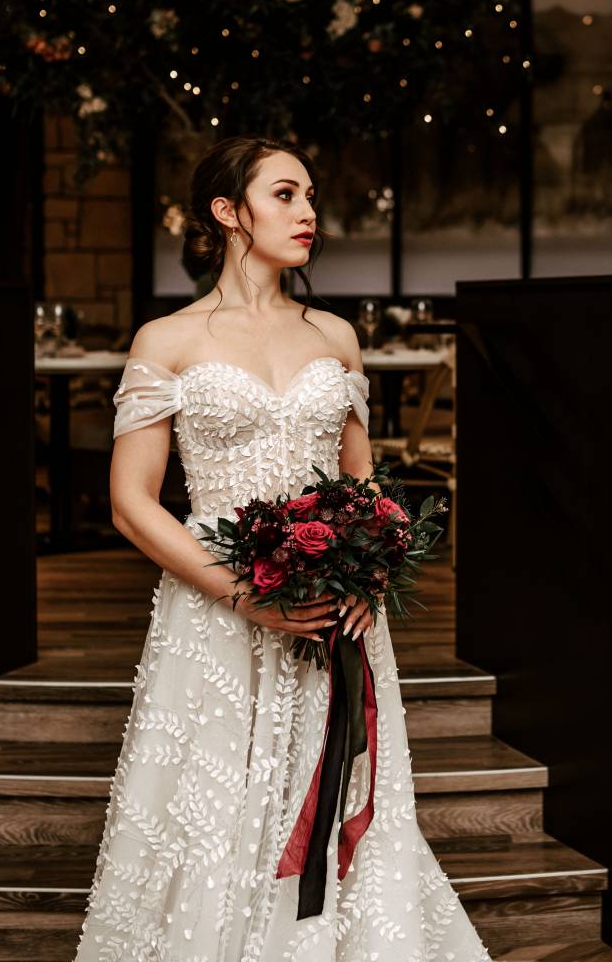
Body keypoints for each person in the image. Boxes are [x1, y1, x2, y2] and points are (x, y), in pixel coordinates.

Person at [73, 136, 491, 961]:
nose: (308, 214)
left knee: (335, 797)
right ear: (228, 213)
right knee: (214, 805)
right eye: (286, 195)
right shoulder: (168, 339)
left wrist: (371, 572)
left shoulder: (334, 334)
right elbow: (130, 503)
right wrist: (247, 595)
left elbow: (362, 482)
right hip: (218, 616)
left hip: (336, 616)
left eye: (310, 197)